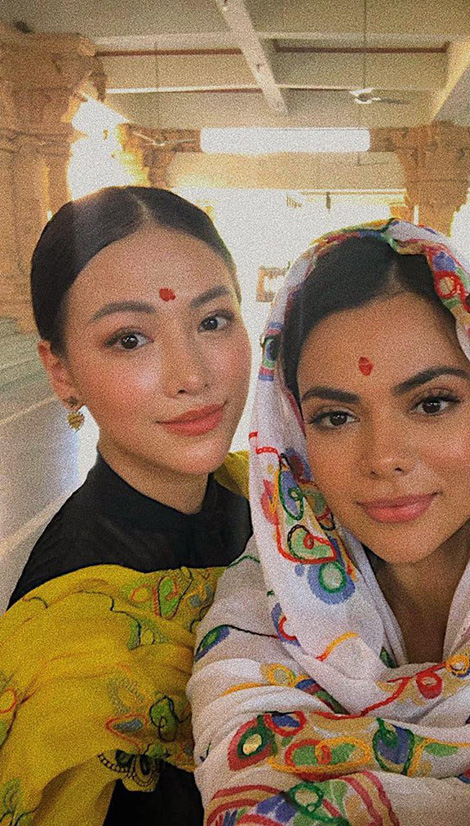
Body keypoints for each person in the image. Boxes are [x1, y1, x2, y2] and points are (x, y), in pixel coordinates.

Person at [189, 219, 470, 825]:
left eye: (431, 403)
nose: (384, 457)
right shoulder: (254, 628)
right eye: (336, 417)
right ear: (296, 442)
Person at [0, 186, 252, 825]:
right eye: (130, 339)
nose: (191, 375)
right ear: (61, 373)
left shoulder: (271, 504)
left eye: (212, 321)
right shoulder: (67, 639)